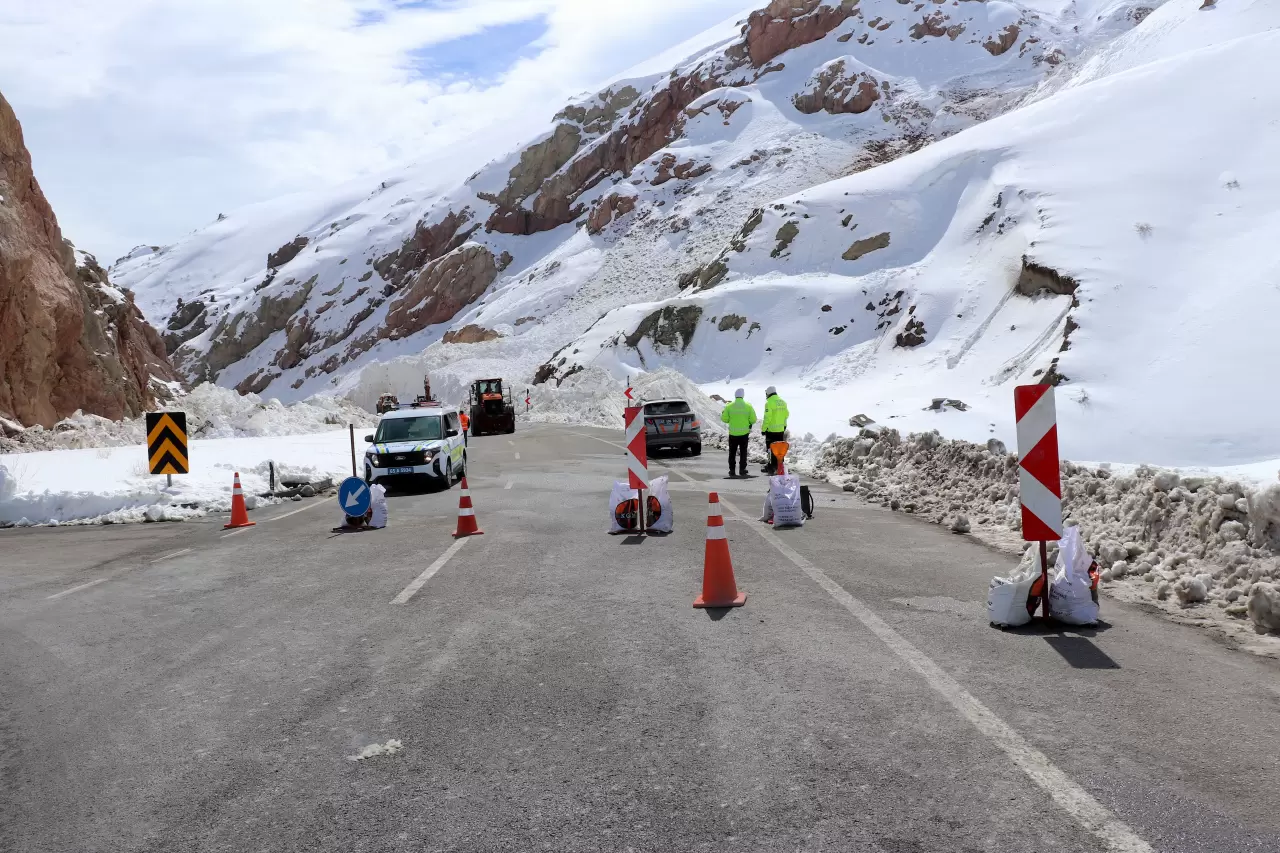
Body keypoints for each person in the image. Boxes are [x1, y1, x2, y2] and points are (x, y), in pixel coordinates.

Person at [720, 388, 757, 478]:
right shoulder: (748, 406)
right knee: (743, 452)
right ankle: (742, 469)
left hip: (733, 434)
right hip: (744, 433)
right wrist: (748, 423)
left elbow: (724, 419)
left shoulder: (729, 406)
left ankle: (732, 470)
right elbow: (753, 419)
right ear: (743, 395)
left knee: (732, 452)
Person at [761, 385, 789, 474]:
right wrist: (784, 425)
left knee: (770, 449)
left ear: (768, 393)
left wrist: (763, 429)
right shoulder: (783, 402)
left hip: (771, 431)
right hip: (780, 430)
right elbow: (786, 415)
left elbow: (767, 417)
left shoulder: (769, 403)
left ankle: (770, 467)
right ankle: (780, 466)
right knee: (780, 450)